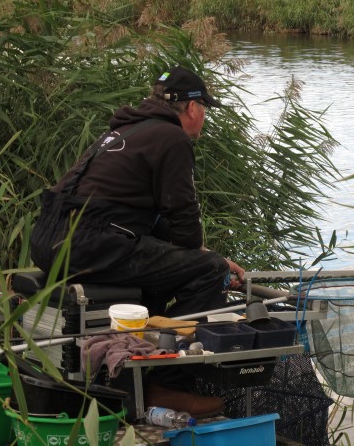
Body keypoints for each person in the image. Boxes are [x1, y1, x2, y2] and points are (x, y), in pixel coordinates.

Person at [29, 65, 245, 417]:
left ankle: (134, 375)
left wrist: (201, 252)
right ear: (193, 108)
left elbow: (152, 223)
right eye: (205, 109)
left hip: (51, 239)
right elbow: (186, 230)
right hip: (90, 242)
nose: (204, 118)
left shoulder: (125, 130)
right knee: (209, 272)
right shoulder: (172, 138)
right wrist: (215, 261)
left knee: (168, 270)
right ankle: (164, 385)